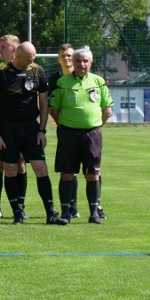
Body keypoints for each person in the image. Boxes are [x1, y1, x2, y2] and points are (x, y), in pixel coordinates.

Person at [0, 42, 68, 225]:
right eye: (28, 60)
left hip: (31, 128)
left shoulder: (37, 71)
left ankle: (51, 213)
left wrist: (42, 130)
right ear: (17, 56)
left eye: (33, 59)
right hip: (8, 129)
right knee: (11, 169)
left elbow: (44, 103)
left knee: (41, 168)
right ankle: (17, 212)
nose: (32, 62)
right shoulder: (1, 74)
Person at [49, 47, 113, 224]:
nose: (81, 64)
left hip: (92, 134)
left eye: (85, 61)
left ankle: (93, 213)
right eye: (78, 61)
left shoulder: (98, 82)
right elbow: (53, 110)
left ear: (91, 63)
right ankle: (66, 212)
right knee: (67, 173)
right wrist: (64, 125)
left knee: (92, 173)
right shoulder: (62, 82)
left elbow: (107, 110)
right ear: (73, 62)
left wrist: (96, 127)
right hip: (68, 134)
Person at [0, 34, 27, 220]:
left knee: (21, 165)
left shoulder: (29, 70)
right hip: (0, 124)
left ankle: (20, 206)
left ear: (15, 50)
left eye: (3, 47)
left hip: (21, 126)